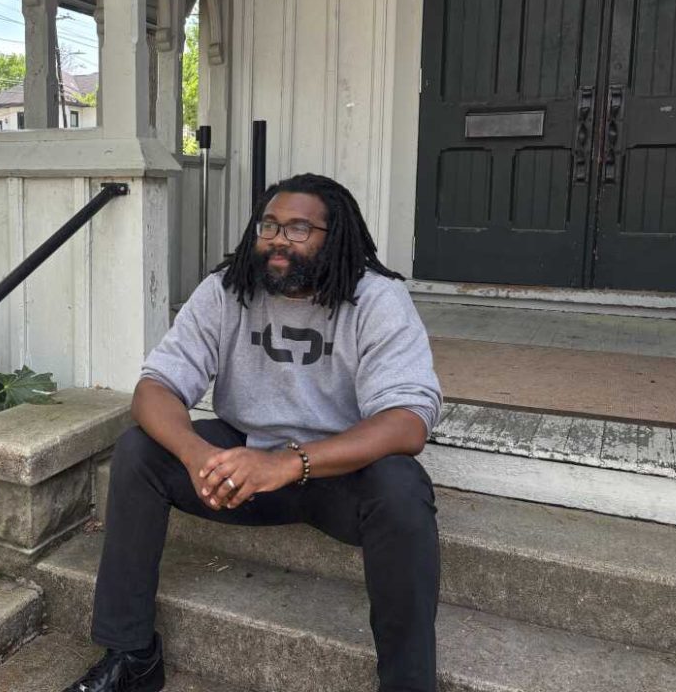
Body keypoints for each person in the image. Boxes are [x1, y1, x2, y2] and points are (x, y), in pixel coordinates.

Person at [63, 173, 442, 692]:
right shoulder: (227, 289)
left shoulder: (376, 299)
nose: (278, 238)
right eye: (269, 224)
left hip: (338, 476)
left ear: (334, 237)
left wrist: (289, 463)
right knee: (140, 451)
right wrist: (196, 454)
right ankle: (131, 655)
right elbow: (154, 389)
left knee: (401, 488)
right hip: (241, 472)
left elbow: (407, 421)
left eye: (299, 228)